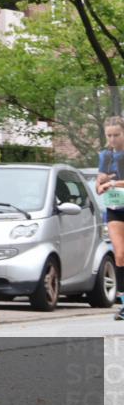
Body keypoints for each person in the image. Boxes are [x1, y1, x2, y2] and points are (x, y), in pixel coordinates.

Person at [95, 115, 124, 321]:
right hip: (115, 207)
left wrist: (113, 183)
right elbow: (98, 188)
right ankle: (123, 304)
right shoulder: (105, 156)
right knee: (120, 254)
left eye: (116, 135)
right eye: (109, 135)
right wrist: (103, 183)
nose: (112, 139)